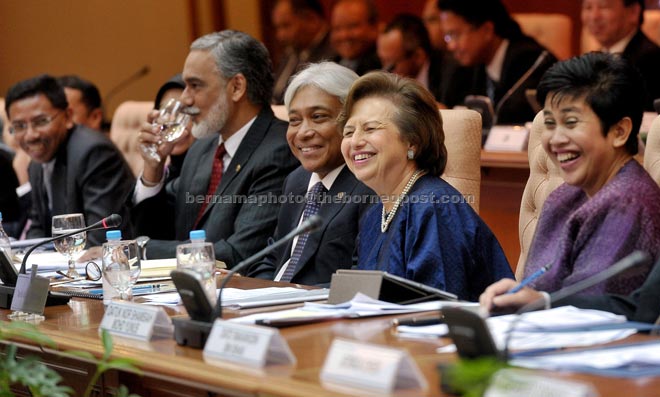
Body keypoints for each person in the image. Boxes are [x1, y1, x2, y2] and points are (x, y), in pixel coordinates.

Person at [483, 53, 660, 313]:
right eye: (550, 124)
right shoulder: (564, 195)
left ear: (619, 132)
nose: (555, 139)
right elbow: (538, 288)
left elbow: (594, 313)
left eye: (571, 123)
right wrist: (514, 296)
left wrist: (537, 303)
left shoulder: (630, 202)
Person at [338, 71, 513, 301]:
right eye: (348, 132)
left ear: (413, 141)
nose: (355, 141)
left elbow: (437, 310)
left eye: (370, 129)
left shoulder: (433, 207)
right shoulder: (374, 216)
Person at [133, 30, 299, 268]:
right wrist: (153, 170)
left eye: (194, 86)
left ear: (237, 87)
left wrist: (140, 250)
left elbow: (238, 253)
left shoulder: (279, 151)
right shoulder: (203, 147)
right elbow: (158, 231)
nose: (185, 99)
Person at [247, 62, 373, 286]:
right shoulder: (297, 180)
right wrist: (253, 297)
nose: (303, 133)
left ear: (353, 120)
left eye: (318, 117)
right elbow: (273, 259)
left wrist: (290, 299)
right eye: (294, 121)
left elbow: (362, 279)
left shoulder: (369, 184)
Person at [5, 75, 135, 245]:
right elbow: (38, 226)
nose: (30, 135)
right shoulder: (38, 161)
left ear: (67, 117)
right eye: (20, 126)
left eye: (41, 121)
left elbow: (103, 238)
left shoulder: (93, 152)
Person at [439, 0, 557, 124]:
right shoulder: (470, 65)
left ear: (487, 30)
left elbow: (509, 115)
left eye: (455, 35)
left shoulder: (531, 60)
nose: (451, 46)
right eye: (448, 37)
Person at [377, 13, 472, 108]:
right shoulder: (374, 69)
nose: (385, 71)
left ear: (418, 56)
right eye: (382, 60)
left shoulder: (453, 75)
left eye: (392, 65)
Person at [582, 0, 660, 111]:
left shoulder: (650, 59)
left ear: (633, 12)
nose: (594, 16)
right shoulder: (597, 57)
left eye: (604, 7)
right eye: (588, 8)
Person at [270, 0, 336, 104]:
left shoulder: (334, 51)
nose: (280, 36)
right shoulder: (291, 52)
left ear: (311, 19)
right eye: (278, 28)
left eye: (286, 26)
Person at [330, 0, 381, 75]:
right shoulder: (331, 65)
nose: (344, 35)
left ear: (374, 27)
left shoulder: (382, 68)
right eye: (337, 28)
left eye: (352, 26)